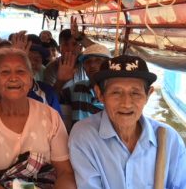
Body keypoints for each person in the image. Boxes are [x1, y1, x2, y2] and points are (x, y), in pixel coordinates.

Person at [69, 55, 186, 188]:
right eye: (116, 92)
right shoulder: (84, 135)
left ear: (148, 95)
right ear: (100, 94)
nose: (126, 104)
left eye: (135, 93)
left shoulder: (170, 140)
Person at [0, 47, 76, 189]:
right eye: (5, 72)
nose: (13, 78)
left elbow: (65, 172)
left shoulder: (50, 117)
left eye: (20, 71)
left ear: (30, 78)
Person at [60, 43, 111, 129]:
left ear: (109, 66)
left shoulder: (117, 93)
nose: (92, 65)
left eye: (98, 61)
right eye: (88, 62)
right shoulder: (78, 87)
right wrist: (60, 82)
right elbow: (51, 98)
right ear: (84, 68)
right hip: (77, 140)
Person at [43, 16, 93, 92]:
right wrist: (61, 81)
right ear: (60, 49)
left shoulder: (87, 64)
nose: (70, 49)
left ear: (80, 48)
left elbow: (100, 51)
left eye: (74, 44)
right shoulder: (51, 68)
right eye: (66, 44)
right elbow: (47, 99)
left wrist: (79, 36)